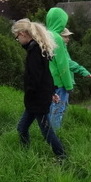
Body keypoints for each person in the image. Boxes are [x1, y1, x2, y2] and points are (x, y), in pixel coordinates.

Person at [13, 19, 66, 160]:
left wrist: (31, 95)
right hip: (38, 98)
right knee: (22, 128)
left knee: (46, 131)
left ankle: (62, 157)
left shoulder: (35, 51)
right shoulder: (38, 49)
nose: (17, 40)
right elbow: (46, 75)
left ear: (22, 33)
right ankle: (25, 155)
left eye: (17, 37)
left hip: (37, 100)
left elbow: (34, 79)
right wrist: (52, 92)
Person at [45, 7, 75, 130]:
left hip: (47, 80)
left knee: (49, 108)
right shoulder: (57, 38)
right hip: (58, 81)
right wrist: (69, 85)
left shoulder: (44, 35)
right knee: (58, 110)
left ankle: (46, 133)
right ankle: (55, 136)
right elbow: (63, 64)